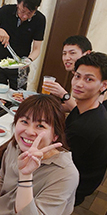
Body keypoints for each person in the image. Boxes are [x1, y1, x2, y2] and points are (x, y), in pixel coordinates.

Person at [65, 52, 107, 206]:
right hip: (76, 175)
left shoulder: (86, 128)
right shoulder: (92, 108)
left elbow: (55, 159)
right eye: (77, 76)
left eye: (88, 79)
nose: (78, 84)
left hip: (72, 189)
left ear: (103, 85)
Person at [0, 0, 46, 90]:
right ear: (18, 4)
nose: (25, 16)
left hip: (21, 67)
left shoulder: (40, 19)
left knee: (19, 95)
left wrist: (29, 60)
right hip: (0, 63)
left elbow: (37, 49)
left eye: (30, 13)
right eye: (22, 11)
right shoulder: (6, 10)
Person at [43, 35, 92, 112]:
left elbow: (83, 113)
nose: (66, 58)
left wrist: (63, 95)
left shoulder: (93, 79)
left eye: (72, 53)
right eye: (64, 53)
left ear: (87, 54)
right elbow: (75, 106)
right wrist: (44, 106)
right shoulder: (75, 75)